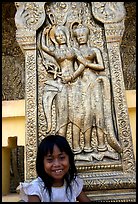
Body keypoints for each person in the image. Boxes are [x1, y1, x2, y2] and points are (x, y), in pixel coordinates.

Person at [17, 135, 91, 202]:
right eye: (50, 160)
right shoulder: (36, 188)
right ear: (42, 163)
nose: (57, 164)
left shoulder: (72, 184)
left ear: (70, 159)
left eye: (62, 158)